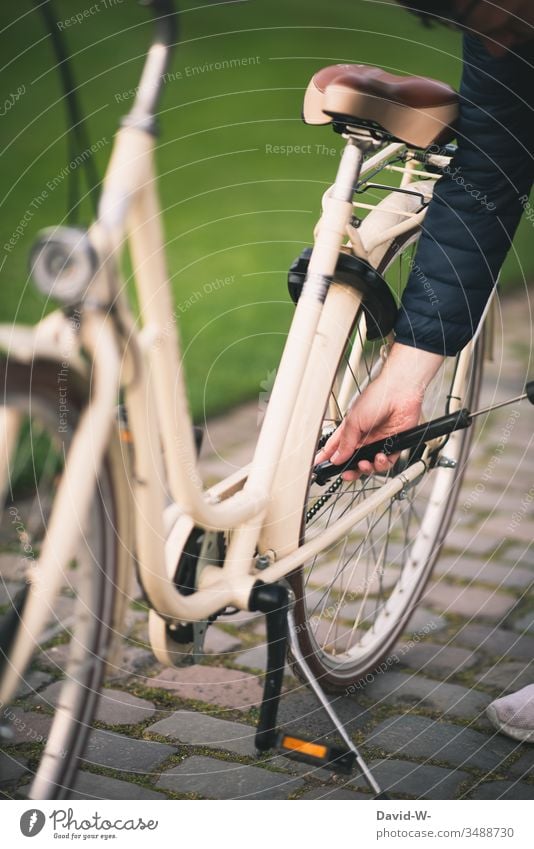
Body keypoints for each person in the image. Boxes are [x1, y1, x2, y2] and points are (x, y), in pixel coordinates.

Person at [315, 1, 534, 741]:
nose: (484, 38)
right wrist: (404, 377)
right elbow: (491, 179)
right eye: (454, 20)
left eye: (479, 9)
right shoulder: (507, 26)